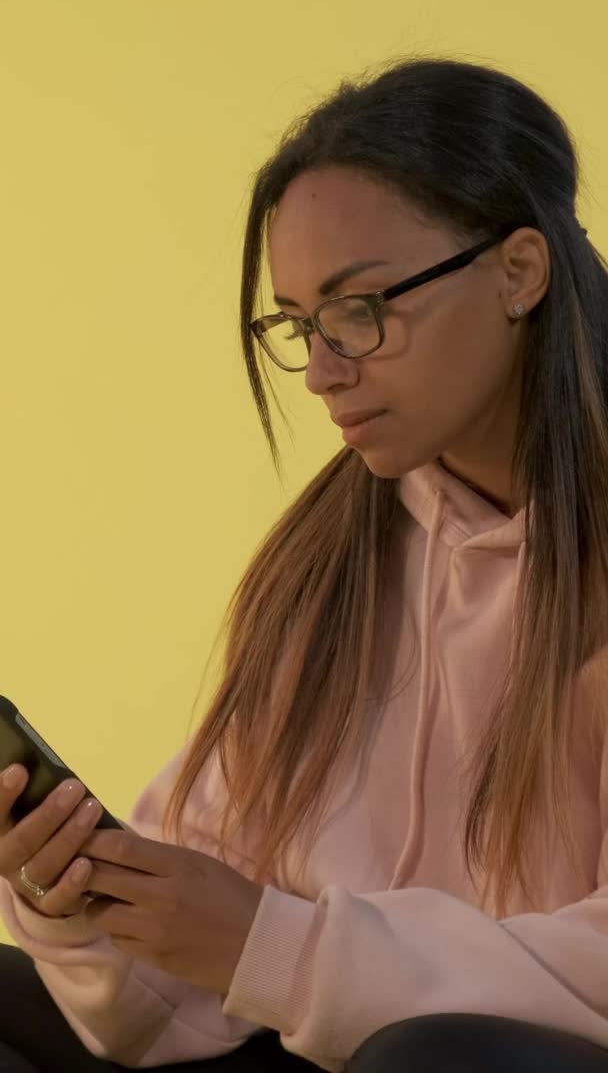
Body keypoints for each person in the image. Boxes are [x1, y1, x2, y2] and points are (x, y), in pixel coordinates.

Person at [1, 53, 608, 1073]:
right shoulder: (328, 569)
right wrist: (82, 903)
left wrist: (276, 946)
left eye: (361, 308)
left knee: (435, 1056)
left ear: (517, 271)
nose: (324, 371)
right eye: (299, 325)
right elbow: (175, 1011)